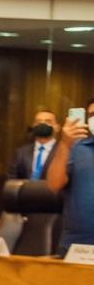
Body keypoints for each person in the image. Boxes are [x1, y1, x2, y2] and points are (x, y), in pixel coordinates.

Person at [46, 100, 94, 253]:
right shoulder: (76, 147)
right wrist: (65, 144)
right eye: (92, 115)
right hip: (76, 246)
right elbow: (53, 185)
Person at [9, 110, 61, 181]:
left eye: (48, 122)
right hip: (26, 191)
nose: (42, 124)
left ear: (57, 127)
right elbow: (11, 179)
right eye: (38, 122)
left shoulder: (64, 151)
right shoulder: (21, 152)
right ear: (33, 126)